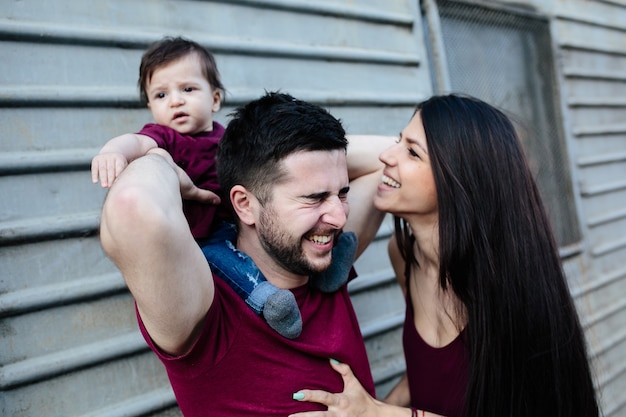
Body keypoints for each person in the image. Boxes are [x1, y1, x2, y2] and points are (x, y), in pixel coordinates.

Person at [291, 94, 600, 417]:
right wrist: (359, 407)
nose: (385, 155)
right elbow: (432, 375)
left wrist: (377, 414)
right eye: (398, 141)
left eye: (411, 152)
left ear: (458, 177)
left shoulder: (508, 290)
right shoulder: (405, 257)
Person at [98, 91, 394, 416]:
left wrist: (311, 153)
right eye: (314, 197)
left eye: (342, 192)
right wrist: (161, 159)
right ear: (244, 204)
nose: (339, 218)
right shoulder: (205, 308)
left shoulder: (326, 257)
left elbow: (394, 161)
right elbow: (132, 208)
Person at [90, 36, 355, 338]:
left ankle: (334, 262)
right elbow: (134, 143)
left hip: (239, 223)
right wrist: (114, 151)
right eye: (161, 95)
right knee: (226, 264)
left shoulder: (229, 138)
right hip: (203, 237)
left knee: (315, 209)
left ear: (215, 98)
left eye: (188, 89)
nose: (175, 100)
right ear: (150, 106)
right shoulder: (164, 139)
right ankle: (266, 300)